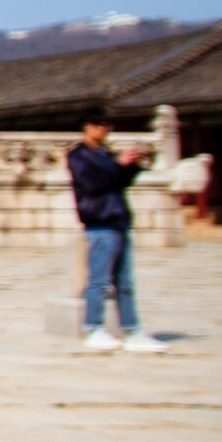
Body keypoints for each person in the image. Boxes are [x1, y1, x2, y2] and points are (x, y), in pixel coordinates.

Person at [71, 111, 164, 353]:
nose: (105, 131)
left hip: (118, 220)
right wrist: (117, 165)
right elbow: (92, 184)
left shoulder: (105, 155)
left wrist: (133, 166)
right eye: (101, 126)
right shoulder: (79, 155)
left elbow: (118, 181)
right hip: (99, 223)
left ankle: (132, 329)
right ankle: (93, 327)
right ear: (88, 126)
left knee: (125, 282)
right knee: (99, 281)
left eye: (107, 126)